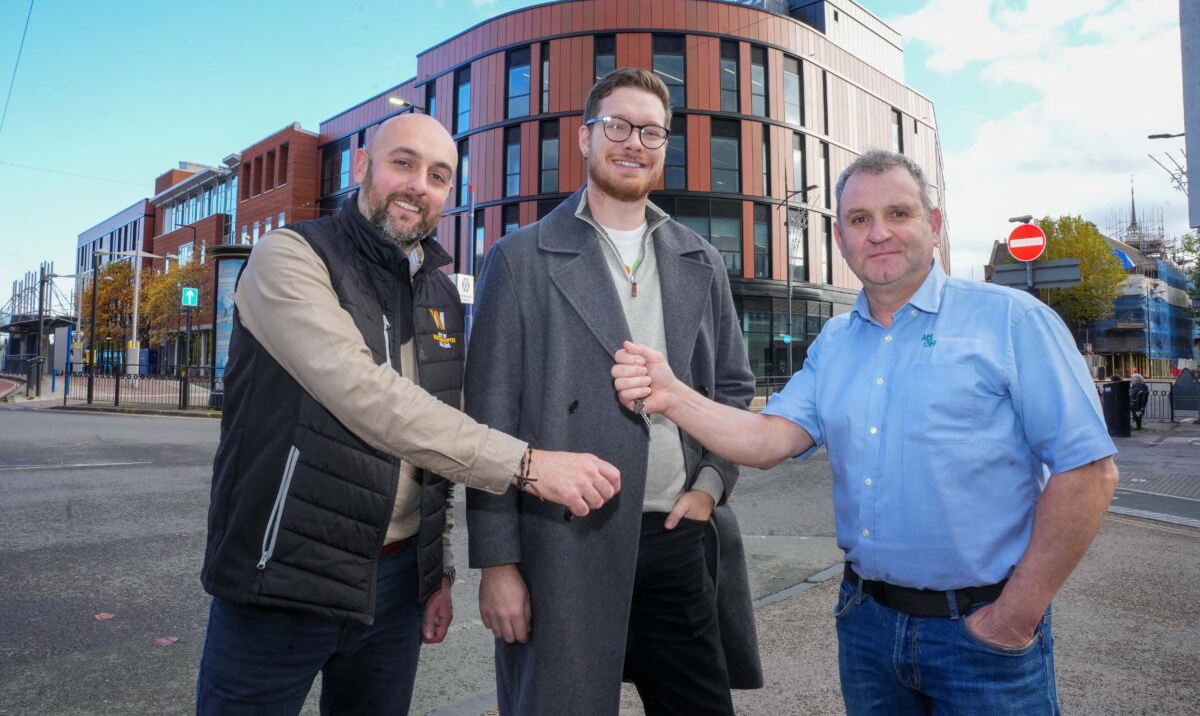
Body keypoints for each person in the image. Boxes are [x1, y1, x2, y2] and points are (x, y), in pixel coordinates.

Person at [613, 149, 1120, 715]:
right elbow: (765, 441)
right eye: (859, 219)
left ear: (934, 223)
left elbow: (1089, 471)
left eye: (898, 213)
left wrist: (1016, 614)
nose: (878, 233)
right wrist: (672, 395)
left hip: (983, 636)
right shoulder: (835, 342)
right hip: (868, 629)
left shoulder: (1012, 321)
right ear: (840, 237)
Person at [196, 113, 621, 716]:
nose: (419, 185)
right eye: (403, 163)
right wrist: (526, 465)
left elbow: (438, 432)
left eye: (439, 176)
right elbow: (366, 396)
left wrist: (434, 570)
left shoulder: (439, 293)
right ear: (363, 166)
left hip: (394, 587)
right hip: (283, 575)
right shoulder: (290, 257)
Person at [465, 68, 762, 715]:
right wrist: (497, 565)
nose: (633, 143)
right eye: (618, 126)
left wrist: (711, 487)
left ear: (665, 146)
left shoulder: (699, 259)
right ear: (584, 137)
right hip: (560, 544)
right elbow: (488, 420)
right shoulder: (519, 259)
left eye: (651, 131)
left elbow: (733, 390)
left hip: (676, 535)